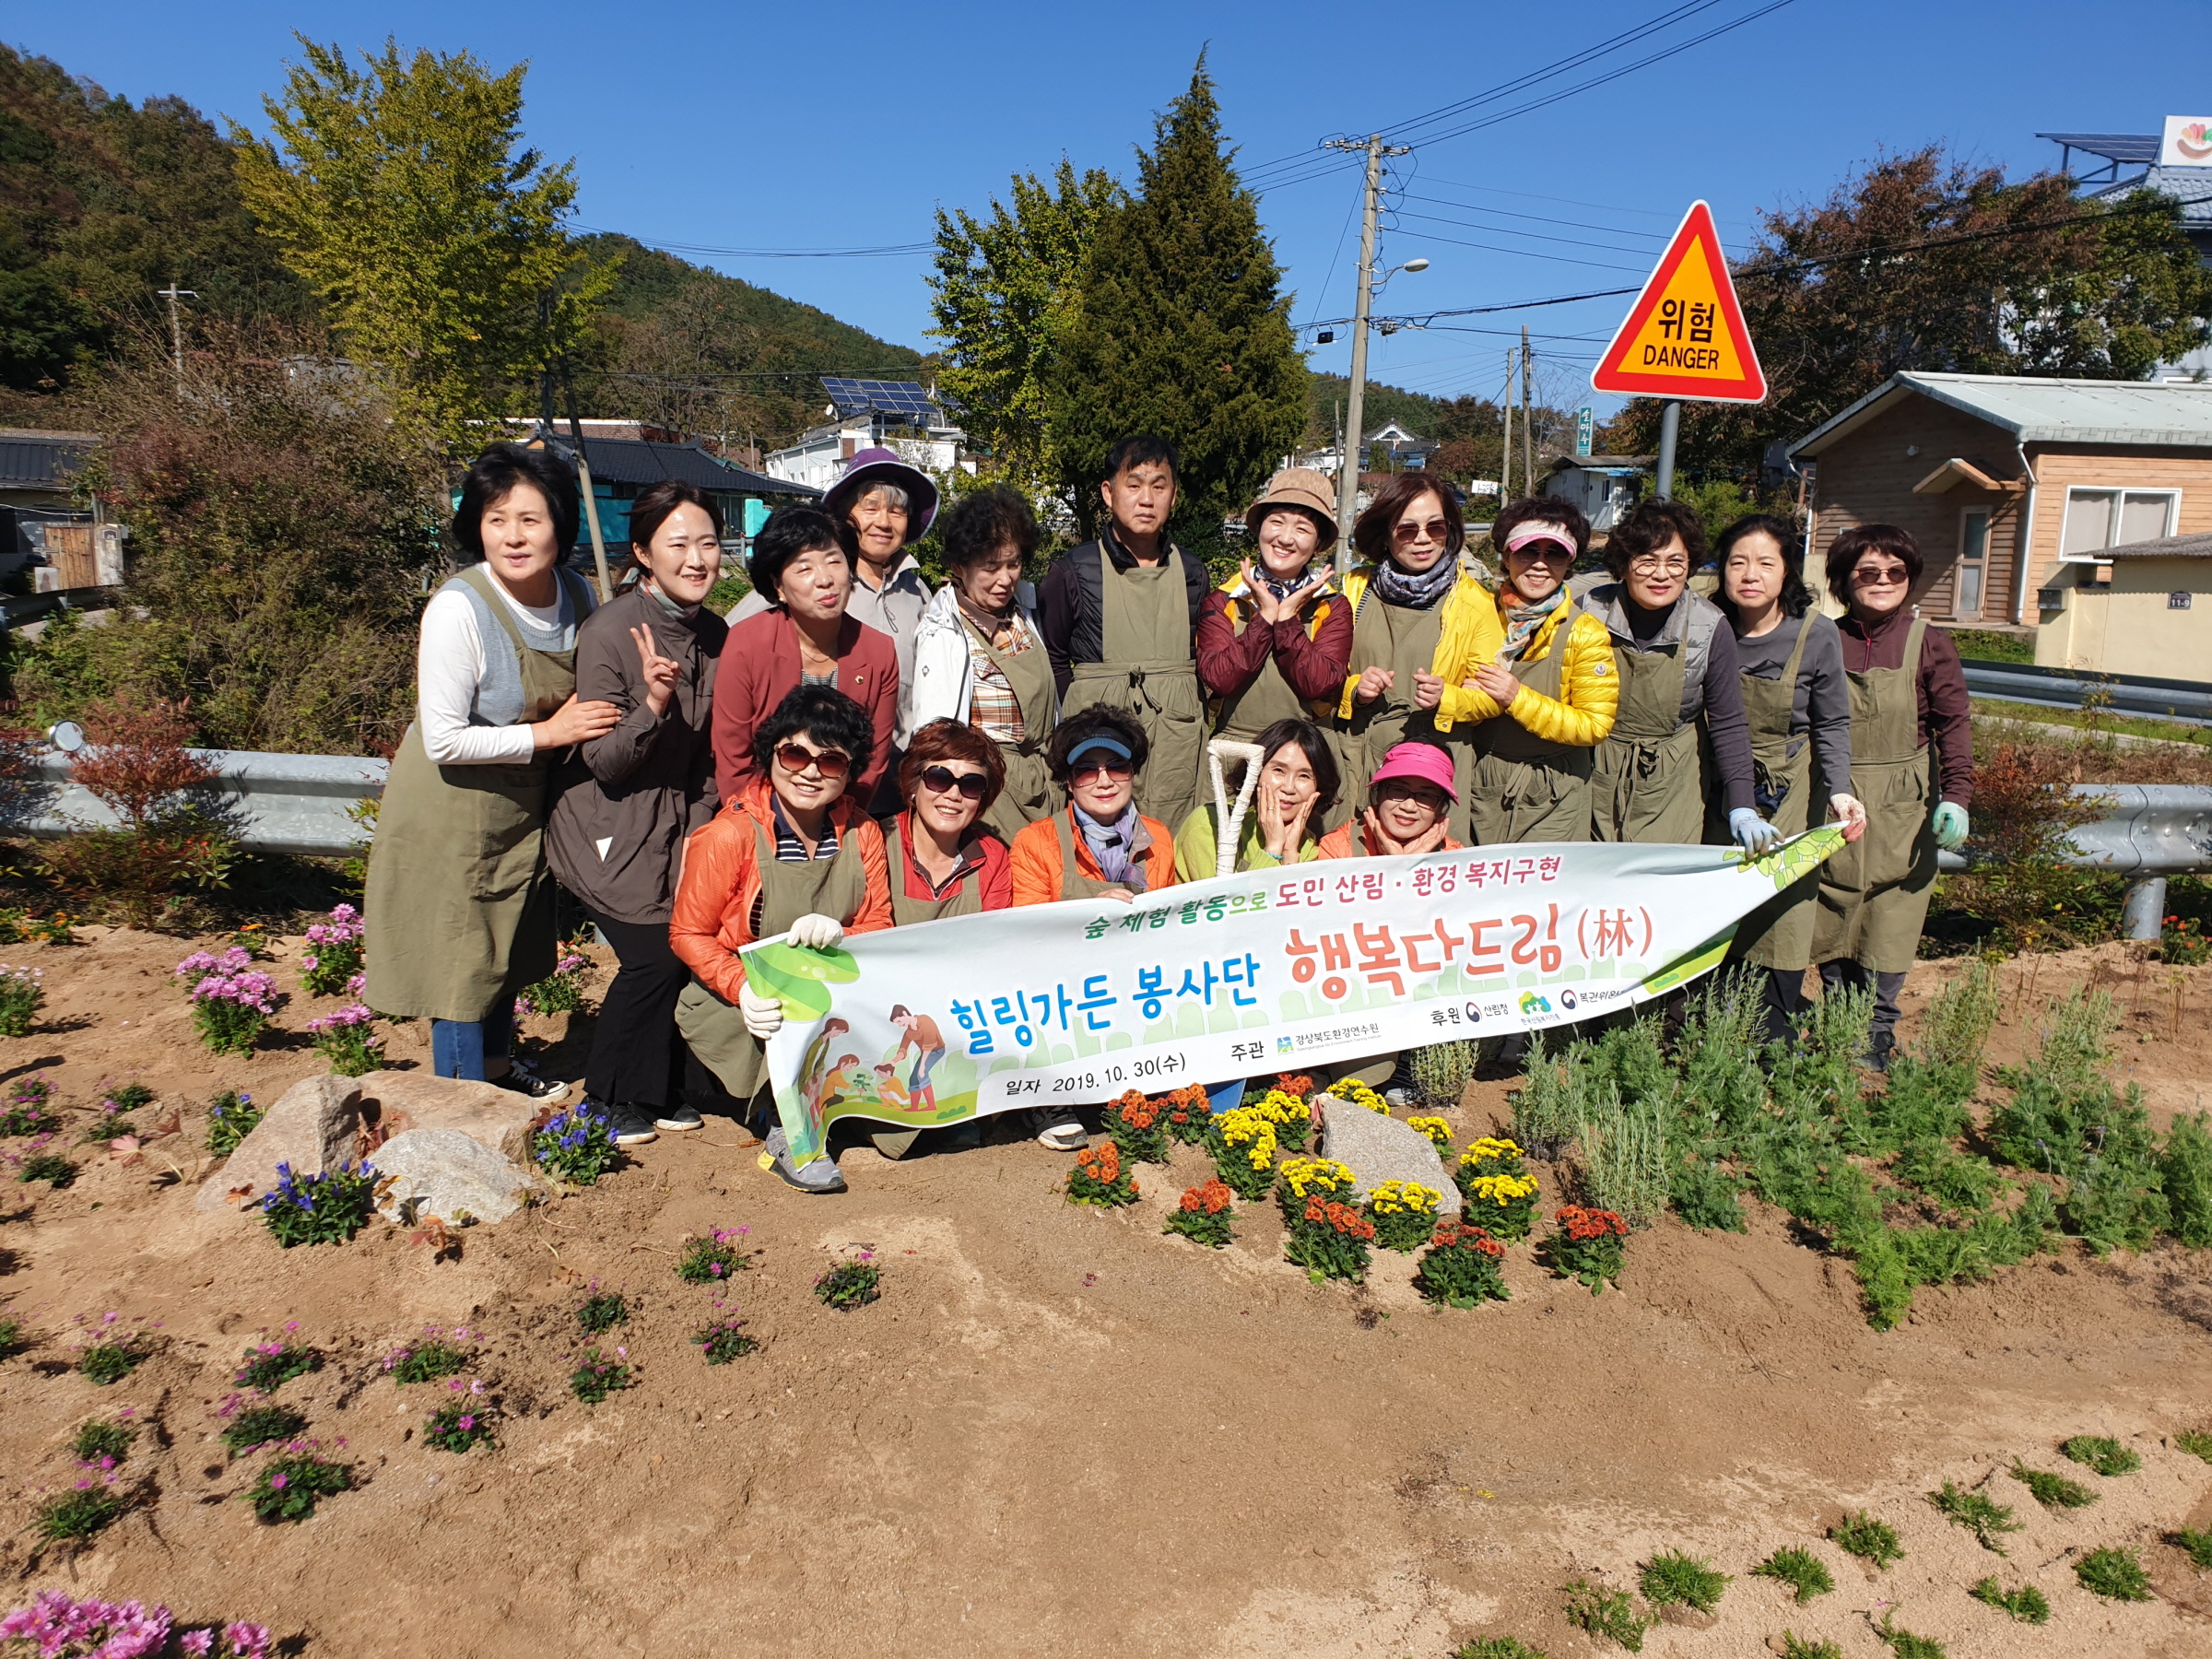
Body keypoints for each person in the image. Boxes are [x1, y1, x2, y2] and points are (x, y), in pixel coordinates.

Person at [363, 441, 606, 1096]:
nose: (513, 537)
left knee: (503, 945)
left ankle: (498, 1072)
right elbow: (442, 739)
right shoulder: (459, 609)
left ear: (560, 524)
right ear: (475, 525)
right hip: (452, 804)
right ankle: (462, 1100)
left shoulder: (577, 593)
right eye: (496, 519)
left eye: (530, 519)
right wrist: (551, 732)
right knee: (461, 960)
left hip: (522, 803)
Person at [545, 479, 729, 1146]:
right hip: (606, 827)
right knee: (651, 957)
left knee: (681, 949)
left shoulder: (715, 630)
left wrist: (706, 825)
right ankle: (604, 1097)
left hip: (680, 824)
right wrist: (652, 705)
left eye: (707, 543)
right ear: (644, 554)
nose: (696, 558)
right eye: (677, 544)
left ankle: (655, 1090)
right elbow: (606, 765)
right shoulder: (610, 632)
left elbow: (713, 750)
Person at [672, 685, 894, 1193]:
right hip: (747, 1007)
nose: (810, 772)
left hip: (827, 992)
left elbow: (879, 921)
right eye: (795, 753)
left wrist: (845, 932)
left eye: (831, 761)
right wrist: (739, 987)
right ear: (771, 753)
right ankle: (786, 1130)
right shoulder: (729, 835)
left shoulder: (862, 832)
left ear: (850, 770)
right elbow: (688, 932)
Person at [1812, 524, 1972, 1071]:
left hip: (1905, 802)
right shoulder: (1822, 637)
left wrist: (1958, 795)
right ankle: (1838, 1017)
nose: (1883, 581)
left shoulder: (1930, 641)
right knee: (1831, 909)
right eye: (1868, 572)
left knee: (1891, 915)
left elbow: (1954, 725)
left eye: (1895, 572)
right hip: (1835, 792)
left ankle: (1875, 1030)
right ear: (1844, 580)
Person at [1710, 514, 1866, 1045]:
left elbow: (1832, 721)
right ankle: (1708, 1028)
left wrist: (1841, 787)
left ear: (1787, 574)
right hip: (1711, 782)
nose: (1749, 575)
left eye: (1765, 563)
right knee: (1716, 904)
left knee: (1783, 909)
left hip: (1788, 789)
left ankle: (1771, 1036)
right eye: (1737, 562)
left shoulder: (1815, 634)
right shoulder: (1708, 624)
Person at [1008, 705, 1180, 1150]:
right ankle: (1049, 1096)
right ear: (1068, 781)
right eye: (1086, 770)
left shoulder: (1159, 836)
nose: (1104, 780)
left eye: (1116, 766)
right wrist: (1087, 913)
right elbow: (1026, 933)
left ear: (1133, 772)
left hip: (1134, 981)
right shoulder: (1035, 842)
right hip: (1062, 986)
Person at [1038, 436, 1208, 833]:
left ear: (1174, 495)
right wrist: (1083, 711)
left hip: (1176, 735)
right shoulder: (1073, 570)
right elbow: (1054, 657)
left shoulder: (1193, 573)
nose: (1146, 499)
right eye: (1134, 485)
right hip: (1099, 735)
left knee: (1171, 839)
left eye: (1158, 485)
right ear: (1108, 493)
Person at [1583, 499, 1772, 853]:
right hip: (1593, 770)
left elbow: (1729, 721)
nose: (1661, 575)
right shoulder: (1588, 611)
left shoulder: (1710, 626)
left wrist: (1743, 805)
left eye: (1675, 562)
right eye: (1647, 561)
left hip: (1673, 780)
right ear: (1623, 565)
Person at [1335, 473, 1502, 846]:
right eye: (1408, 529)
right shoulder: (1354, 589)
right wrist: (1354, 689)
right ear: (1386, 533)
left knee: (1435, 875)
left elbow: (1494, 695)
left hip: (1436, 764)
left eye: (1436, 527)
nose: (1424, 539)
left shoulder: (1474, 602)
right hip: (1362, 753)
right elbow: (1325, 674)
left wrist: (1451, 698)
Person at [1453, 497, 1618, 844]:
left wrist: (1516, 697)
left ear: (1570, 562)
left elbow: (1594, 725)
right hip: (1481, 779)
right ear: (1506, 555)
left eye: (1554, 554)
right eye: (1529, 551)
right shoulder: (1475, 613)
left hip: (1555, 791)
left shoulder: (1584, 631)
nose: (1540, 565)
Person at [712, 505, 899, 809]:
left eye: (834, 562)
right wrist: (759, 827)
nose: (825, 579)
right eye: (804, 568)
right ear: (777, 585)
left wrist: (842, 823)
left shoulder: (879, 652)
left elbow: (873, 760)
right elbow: (733, 756)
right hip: (758, 815)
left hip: (842, 815)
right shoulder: (746, 644)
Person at [906, 486, 1058, 842]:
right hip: (989, 788)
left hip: (1044, 782)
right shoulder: (943, 633)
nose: (1005, 579)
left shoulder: (1026, 613)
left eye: (1013, 563)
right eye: (990, 567)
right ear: (960, 567)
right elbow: (934, 736)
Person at [1199, 467, 1352, 757]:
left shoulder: (1332, 607)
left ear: (1318, 543)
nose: (1285, 538)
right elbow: (1220, 679)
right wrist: (1266, 617)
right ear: (1259, 528)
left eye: (1302, 529)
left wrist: (1286, 621)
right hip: (1235, 750)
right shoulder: (1223, 600)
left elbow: (1318, 684)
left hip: (1307, 753)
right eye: (1277, 522)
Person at [884, 718, 1016, 923]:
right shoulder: (877, 843)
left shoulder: (993, 858)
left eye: (971, 785)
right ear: (913, 784)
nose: (953, 795)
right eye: (939, 778)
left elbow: (995, 937)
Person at [1172, 717, 1337, 879]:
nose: (1288, 787)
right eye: (1279, 770)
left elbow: (1294, 903)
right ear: (1255, 771)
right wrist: (1272, 850)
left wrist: (1290, 854)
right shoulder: (1209, 824)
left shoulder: (1305, 842)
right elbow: (1223, 902)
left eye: (1304, 776)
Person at [1316, 741, 1466, 860]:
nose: (1409, 806)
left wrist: (1406, 865)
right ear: (1378, 793)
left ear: (1440, 808)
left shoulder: (1455, 859)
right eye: (1399, 790)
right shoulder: (1336, 848)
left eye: (1426, 796)